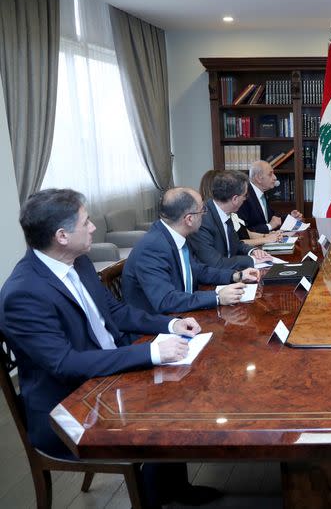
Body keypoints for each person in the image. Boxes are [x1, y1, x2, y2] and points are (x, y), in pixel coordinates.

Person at [0, 189, 218, 506]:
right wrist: (151, 353)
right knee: (164, 408)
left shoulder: (79, 261)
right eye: (86, 222)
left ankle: (173, 488)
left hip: (108, 377)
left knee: (183, 391)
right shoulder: (24, 293)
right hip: (69, 406)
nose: (92, 228)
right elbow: (64, 363)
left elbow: (116, 312)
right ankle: (153, 497)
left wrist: (170, 325)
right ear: (61, 235)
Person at [123, 187, 260, 314]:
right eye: (202, 210)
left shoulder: (175, 234)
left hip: (183, 313)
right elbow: (166, 300)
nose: (205, 214)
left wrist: (235, 276)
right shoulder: (152, 248)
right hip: (157, 327)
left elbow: (197, 270)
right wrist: (217, 297)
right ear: (189, 219)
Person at [188, 170, 273, 270]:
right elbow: (215, 263)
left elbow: (235, 244)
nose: (246, 199)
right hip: (213, 280)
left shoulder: (225, 212)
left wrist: (253, 251)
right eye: (245, 195)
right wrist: (252, 260)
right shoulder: (203, 220)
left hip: (230, 272)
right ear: (235, 199)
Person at [237, 160, 302, 234]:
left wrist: (291, 218)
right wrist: (269, 226)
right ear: (258, 178)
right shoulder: (244, 196)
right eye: (270, 174)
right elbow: (243, 232)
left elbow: (272, 218)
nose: (275, 177)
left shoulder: (262, 193)